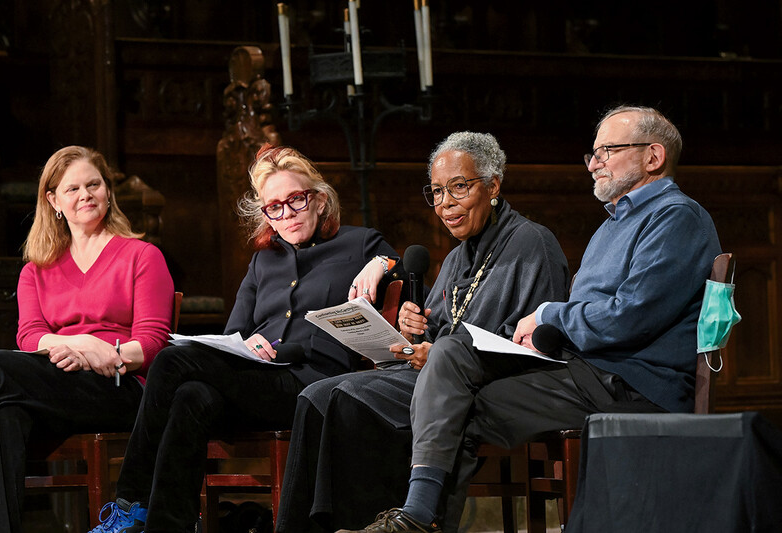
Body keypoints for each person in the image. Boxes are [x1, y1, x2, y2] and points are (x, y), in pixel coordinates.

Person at [343, 105, 723, 533]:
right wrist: (542, 337)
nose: (594, 163)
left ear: (653, 157)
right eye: (592, 154)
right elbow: (594, 315)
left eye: (608, 151)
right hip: (590, 373)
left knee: (452, 383)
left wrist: (548, 316)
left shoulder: (676, 217)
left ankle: (413, 519)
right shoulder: (614, 224)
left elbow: (631, 317)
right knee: (452, 387)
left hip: (634, 382)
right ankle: (418, 519)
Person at [88, 144, 400, 533]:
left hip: (312, 385)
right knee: (190, 395)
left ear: (319, 201)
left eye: (296, 201)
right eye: (274, 207)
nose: (286, 214)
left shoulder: (360, 244)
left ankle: (130, 503)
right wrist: (246, 344)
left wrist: (379, 264)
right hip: (256, 380)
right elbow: (232, 334)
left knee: (169, 361)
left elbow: (401, 264)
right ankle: (168, 525)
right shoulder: (262, 261)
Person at [274, 132, 570, 533]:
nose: (446, 204)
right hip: (432, 374)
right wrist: (415, 331)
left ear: (494, 185)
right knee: (316, 395)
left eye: (459, 188)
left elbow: (533, 346)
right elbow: (441, 328)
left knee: (349, 398)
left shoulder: (532, 244)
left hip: (487, 383)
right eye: (436, 192)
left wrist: (439, 350)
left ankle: (378, 524)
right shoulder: (454, 257)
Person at [0, 146, 175, 533]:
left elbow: (153, 343)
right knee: (5, 414)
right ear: (53, 200)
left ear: (107, 191)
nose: (85, 194)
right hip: (55, 380)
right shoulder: (36, 270)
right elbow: (30, 336)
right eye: (72, 189)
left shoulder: (142, 255)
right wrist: (80, 344)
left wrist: (103, 352)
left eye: (93, 184)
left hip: (120, 386)